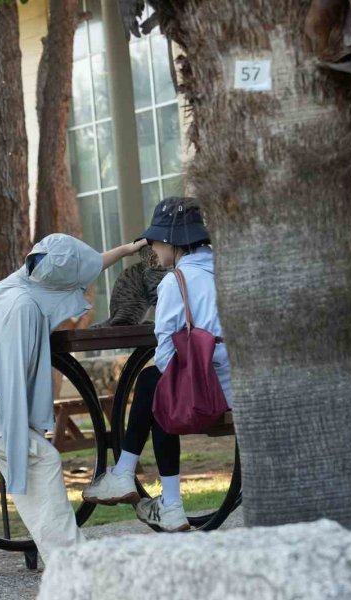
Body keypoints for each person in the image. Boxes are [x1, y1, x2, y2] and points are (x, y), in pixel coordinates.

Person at [0, 233, 147, 560]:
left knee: (37, 457)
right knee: (39, 458)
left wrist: (127, 250)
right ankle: (69, 561)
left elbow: (85, 264)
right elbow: (11, 383)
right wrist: (26, 432)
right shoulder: (21, 308)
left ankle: (67, 557)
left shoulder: (26, 275)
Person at [82, 197, 232, 532]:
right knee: (157, 384)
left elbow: (165, 355)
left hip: (210, 395)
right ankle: (159, 499)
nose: (152, 248)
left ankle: (130, 478)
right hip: (241, 385)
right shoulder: (227, 269)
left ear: (169, 241)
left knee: (157, 382)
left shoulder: (175, 281)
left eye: (153, 241)